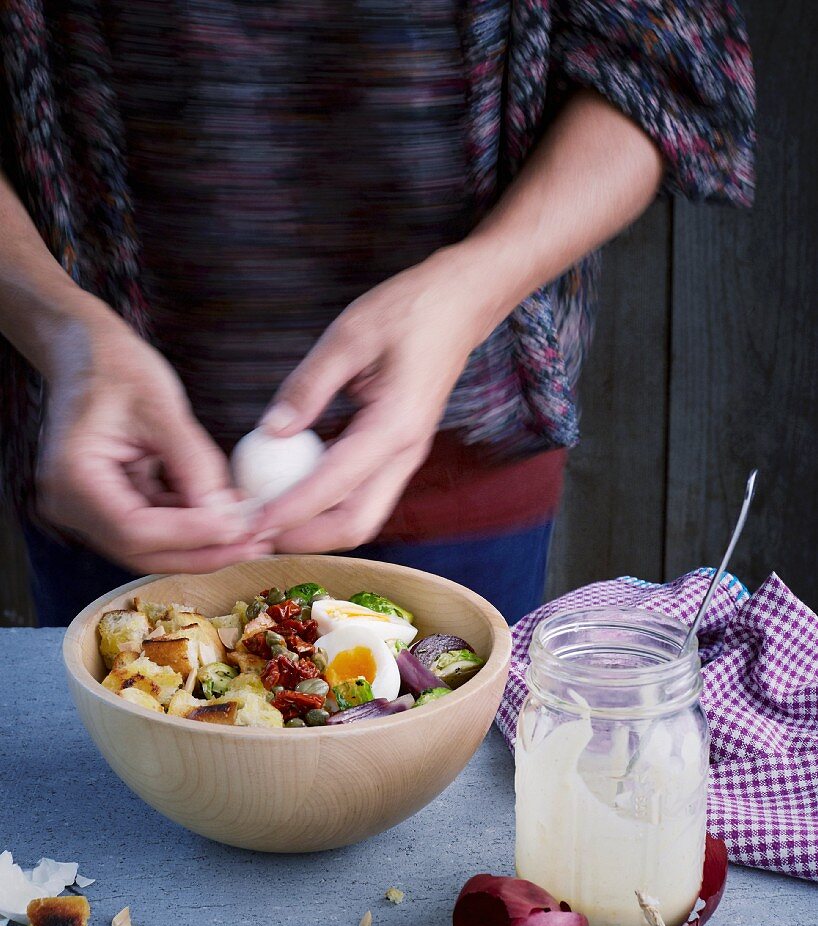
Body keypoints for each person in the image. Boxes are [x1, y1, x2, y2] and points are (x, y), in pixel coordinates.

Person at [0, 2, 754, 626]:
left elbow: (669, 65)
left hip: (461, 455)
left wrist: (475, 285)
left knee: (440, 785)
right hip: (111, 468)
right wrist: (60, 330)